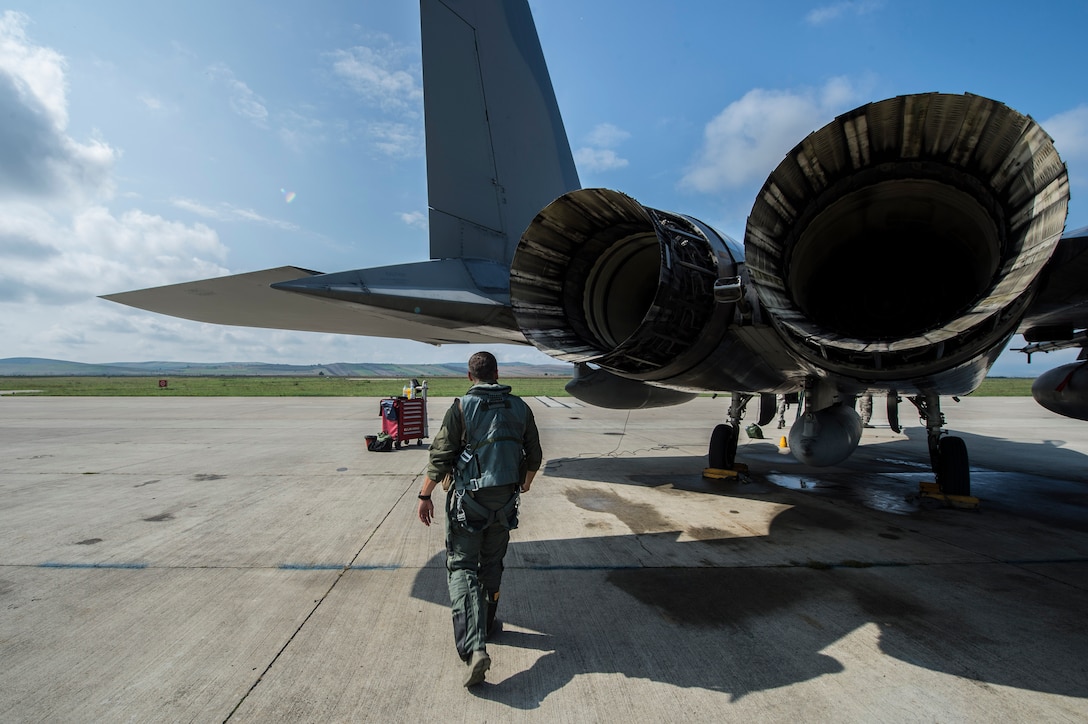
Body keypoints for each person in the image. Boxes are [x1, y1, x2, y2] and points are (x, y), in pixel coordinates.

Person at [416, 351, 542, 687]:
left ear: (470, 377)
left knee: (462, 567)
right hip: (505, 503)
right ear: (497, 373)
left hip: (468, 504)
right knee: (492, 564)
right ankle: (488, 623)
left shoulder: (461, 409)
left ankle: (474, 647)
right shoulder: (520, 407)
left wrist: (425, 495)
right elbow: (534, 454)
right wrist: (525, 483)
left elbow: (441, 457)